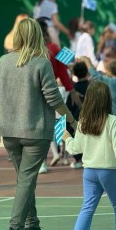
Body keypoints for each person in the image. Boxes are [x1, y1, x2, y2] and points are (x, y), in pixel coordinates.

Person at [0, 18, 77, 230]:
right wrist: (72, 119)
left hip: (8, 129)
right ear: (39, 36)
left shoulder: (3, 62)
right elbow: (53, 97)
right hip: (35, 130)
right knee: (26, 179)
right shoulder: (41, 63)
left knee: (24, 179)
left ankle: (32, 224)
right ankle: (15, 228)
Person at [63, 81, 116, 230]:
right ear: (106, 99)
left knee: (87, 207)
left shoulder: (83, 121)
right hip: (108, 171)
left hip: (89, 172)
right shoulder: (112, 121)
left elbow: (75, 149)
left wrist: (66, 138)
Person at [37, 18, 82, 173]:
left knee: (41, 128)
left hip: (37, 93)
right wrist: (72, 90)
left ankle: (44, 161)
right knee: (60, 123)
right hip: (53, 91)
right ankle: (66, 153)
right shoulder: (53, 48)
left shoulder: (30, 51)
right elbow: (63, 72)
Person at [87, 58, 116, 134]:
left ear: (110, 71)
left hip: (111, 117)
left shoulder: (110, 82)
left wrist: (87, 62)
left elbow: (95, 76)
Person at [66, 62, 90, 169]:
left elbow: (68, 107)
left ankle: (78, 158)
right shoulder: (92, 86)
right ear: (87, 72)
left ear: (74, 73)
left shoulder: (73, 89)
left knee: (72, 134)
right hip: (91, 117)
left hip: (77, 119)